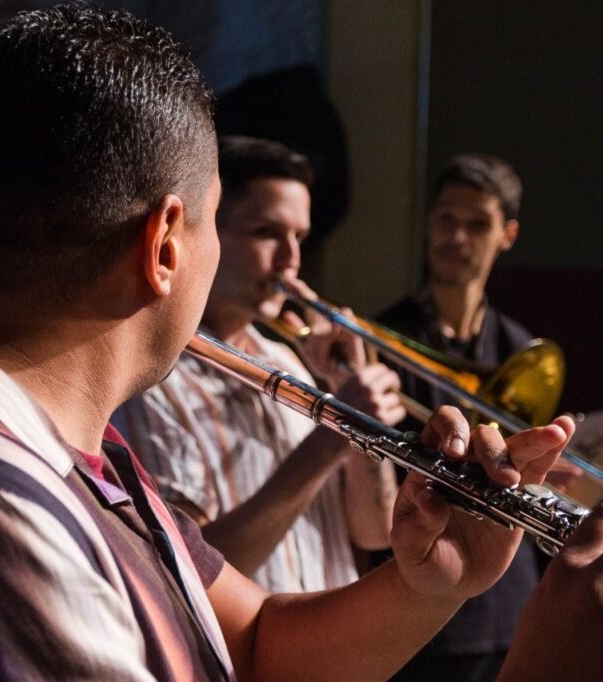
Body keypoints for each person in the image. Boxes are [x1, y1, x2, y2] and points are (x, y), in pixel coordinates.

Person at [0, 5, 603, 681]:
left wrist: (428, 587)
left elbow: (252, 647)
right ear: (166, 243)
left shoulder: (66, 451)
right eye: (222, 222)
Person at [115, 135, 404, 592]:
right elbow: (192, 575)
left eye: (300, 238)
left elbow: (375, 530)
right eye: (266, 233)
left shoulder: (288, 361)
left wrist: (351, 399)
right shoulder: (152, 380)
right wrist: (331, 435)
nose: (291, 261)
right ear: (202, 232)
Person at [377, 153, 581, 681]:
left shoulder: (522, 353)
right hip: (416, 596)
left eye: (477, 224)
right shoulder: (383, 336)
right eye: (446, 219)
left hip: (505, 603)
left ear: (507, 234)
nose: (457, 237)